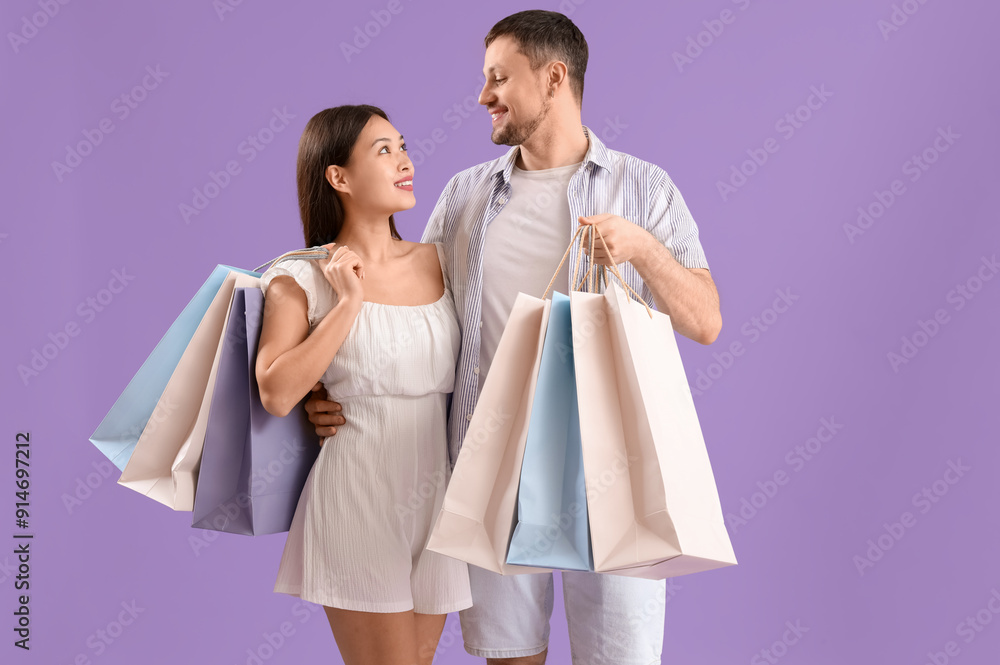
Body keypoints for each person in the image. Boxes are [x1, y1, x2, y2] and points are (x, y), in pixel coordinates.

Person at [303, 10, 722, 665]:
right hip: (491, 469)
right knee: (510, 658)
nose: (483, 96)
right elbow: (404, 306)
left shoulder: (644, 187)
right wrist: (321, 384)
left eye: (499, 78)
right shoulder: (466, 197)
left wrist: (642, 248)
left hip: (616, 473)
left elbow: (706, 320)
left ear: (554, 78)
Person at [254, 104, 472, 665]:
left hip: (436, 495)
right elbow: (277, 392)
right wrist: (349, 302)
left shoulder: (442, 261)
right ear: (339, 177)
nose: (406, 162)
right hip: (358, 496)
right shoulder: (299, 275)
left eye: (403, 146)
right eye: (384, 151)